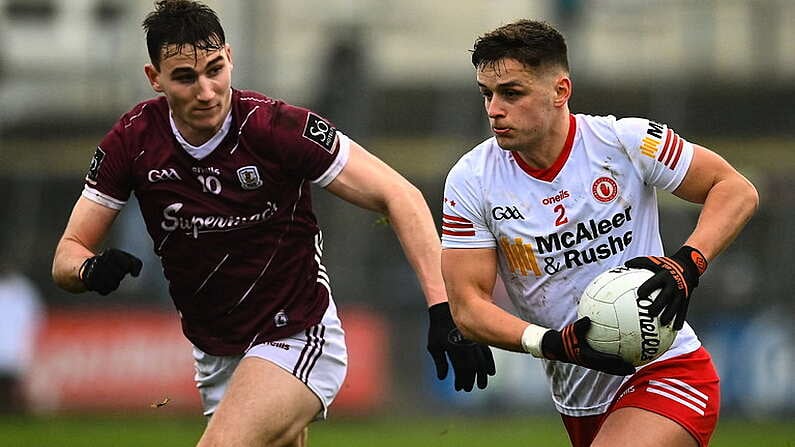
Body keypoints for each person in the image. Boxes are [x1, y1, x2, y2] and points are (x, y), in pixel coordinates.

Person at [51, 1, 494, 446]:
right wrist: (89, 270)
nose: (206, 90)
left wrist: (444, 309)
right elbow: (68, 253)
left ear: (230, 58)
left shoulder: (276, 128)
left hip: (298, 334)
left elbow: (400, 196)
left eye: (215, 69)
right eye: (186, 78)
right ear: (155, 79)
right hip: (217, 353)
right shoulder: (133, 141)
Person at [440, 19, 758, 447]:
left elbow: (735, 189)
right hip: (578, 398)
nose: (494, 109)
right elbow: (467, 306)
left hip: (668, 369)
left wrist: (688, 264)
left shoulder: (626, 141)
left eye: (511, 93)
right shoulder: (471, 180)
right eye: (487, 94)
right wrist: (551, 344)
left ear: (560, 91)